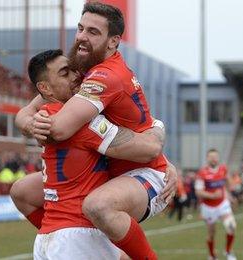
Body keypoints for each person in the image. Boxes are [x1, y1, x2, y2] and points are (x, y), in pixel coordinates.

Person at [13, 3, 176, 259]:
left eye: (93, 32)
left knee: (98, 205)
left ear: (113, 41)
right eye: (80, 28)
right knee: (21, 192)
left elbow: (60, 128)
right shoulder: (83, 69)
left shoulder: (104, 76)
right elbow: (27, 111)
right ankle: (91, 244)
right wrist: (29, 123)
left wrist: (161, 144)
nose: (81, 37)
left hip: (143, 171)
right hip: (110, 171)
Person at [27, 49, 166, 259]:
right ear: (44, 88)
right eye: (65, 73)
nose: (76, 76)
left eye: (74, 70)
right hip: (78, 236)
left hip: (47, 237)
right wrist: (158, 127)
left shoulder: (45, 116)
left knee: (21, 190)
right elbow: (148, 149)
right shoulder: (78, 124)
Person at [195, 149, 237, 260]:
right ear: (207, 158)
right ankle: (212, 255)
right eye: (211, 157)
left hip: (222, 204)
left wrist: (229, 194)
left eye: (215, 156)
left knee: (231, 227)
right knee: (211, 233)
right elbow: (198, 191)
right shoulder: (202, 173)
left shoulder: (223, 169)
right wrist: (212, 196)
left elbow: (227, 181)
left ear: (218, 158)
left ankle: (228, 251)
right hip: (208, 207)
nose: (214, 159)